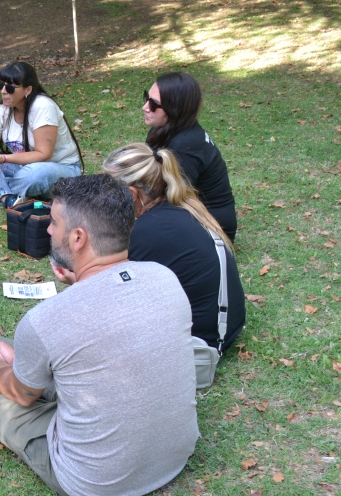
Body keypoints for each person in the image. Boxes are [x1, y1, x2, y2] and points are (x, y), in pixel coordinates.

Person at [0, 175, 199, 496]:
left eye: (55, 222)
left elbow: (20, 395)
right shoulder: (165, 279)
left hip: (95, 481)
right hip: (174, 456)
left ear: (78, 238)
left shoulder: (48, 319)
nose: (49, 230)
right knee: (33, 356)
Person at [103, 143, 245, 354]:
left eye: (108, 190)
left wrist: (76, 276)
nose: (103, 198)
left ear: (132, 195)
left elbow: (113, 297)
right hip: (225, 325)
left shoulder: (147, 230)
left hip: (202, 342)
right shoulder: (179, 208)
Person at [0, 61, 82, 208]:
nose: (3, 91)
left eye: (11, 87)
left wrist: (4, 159)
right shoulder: (3, 110)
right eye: (1, 84)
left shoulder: (43, 106)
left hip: (59, 169)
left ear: (28, 89)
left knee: (35, 175)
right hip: (21, 168)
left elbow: (44, 155)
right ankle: (7, 198)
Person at [143, 72, 237, 242]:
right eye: (146, 98)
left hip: (214, 228)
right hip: (192, 214)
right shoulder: (166, 130)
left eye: (154, 104)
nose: (145, 107)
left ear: (174, 109)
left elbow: (171, 201)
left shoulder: (183, 146)